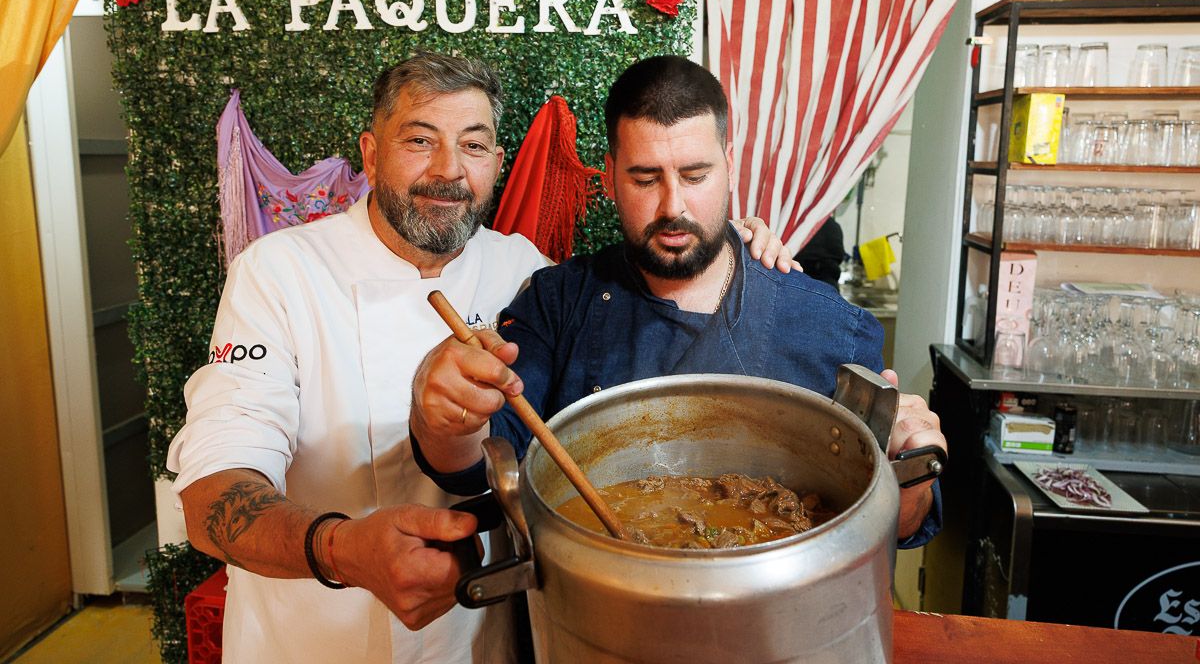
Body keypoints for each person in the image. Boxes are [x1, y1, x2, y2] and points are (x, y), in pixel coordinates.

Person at [167, 51, 798, 663]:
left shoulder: (524, 270)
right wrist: (340, 548)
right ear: (369, 152)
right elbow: (212, 493)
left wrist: (735, 249)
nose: (449, 171)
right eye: (419, 141)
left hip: (480, 643)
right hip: (315, 642)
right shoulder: (280, 274)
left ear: (496, 161)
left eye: (472, 146)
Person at [410, 55, 945, 547]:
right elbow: (482, 463)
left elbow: (890, 529)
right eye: (645, 178)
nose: (673, 207)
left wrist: (914, 468)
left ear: (729, 163)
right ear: (611, 175)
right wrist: (444, 422)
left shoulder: (832, 327)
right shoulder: (558, 301)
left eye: (696, 176)